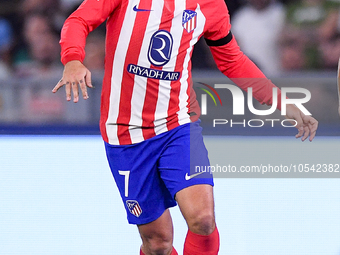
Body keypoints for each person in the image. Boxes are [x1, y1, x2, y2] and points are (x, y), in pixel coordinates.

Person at [53, 0, 318, 254]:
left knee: (203, 220)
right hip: (124, 132)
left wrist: (281, 102)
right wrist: (73, 58)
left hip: (178, 124)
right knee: (158, 244)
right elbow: (78, 20)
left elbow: (232, 59)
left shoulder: (211, 5)